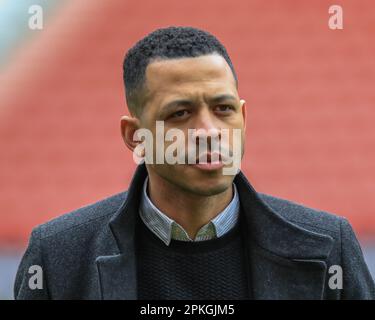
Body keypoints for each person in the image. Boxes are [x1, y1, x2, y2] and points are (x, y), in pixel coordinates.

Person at [14, 26, 375, 300]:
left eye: (223, 109)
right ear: (134, 136)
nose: (209, 131)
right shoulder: (58, 257)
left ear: (244, 118)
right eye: (180, 113)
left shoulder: (330, 247)